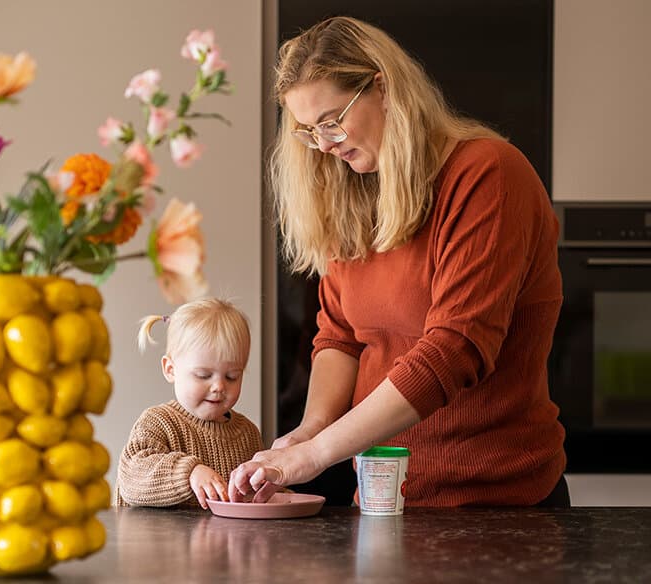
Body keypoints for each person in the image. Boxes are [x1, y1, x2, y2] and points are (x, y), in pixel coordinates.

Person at [229, 16, 569, 507]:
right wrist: (310, 431)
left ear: (382, 89)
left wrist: (316, 455)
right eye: (308, 131)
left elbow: (454, 350)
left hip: (496, 505)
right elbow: (340, 337)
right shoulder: (355, 197)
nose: (323, 144)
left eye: (331, 120)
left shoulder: (487, 175)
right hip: (383, 497)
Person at [117, 297, 264, 509]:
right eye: (204, 375)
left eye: (232, 376)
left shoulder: (248, 434)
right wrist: (189, 473)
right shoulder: (157, 422)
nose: (219, 386)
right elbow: (131, 478)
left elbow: (256, 494)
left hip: (222, 541)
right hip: (159, 542)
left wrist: (274, 491)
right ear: (170, 369)